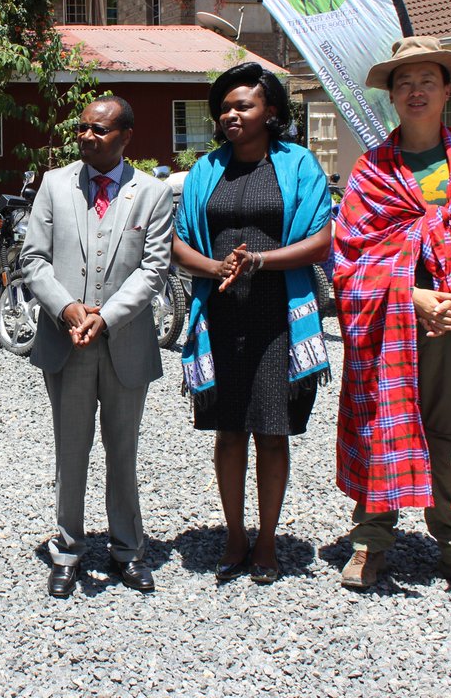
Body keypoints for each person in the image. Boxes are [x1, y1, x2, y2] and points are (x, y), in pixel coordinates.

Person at [334, 37, 451, 596]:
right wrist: (410, 296)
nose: (416, 91)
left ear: (446, 91)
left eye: (427, 82)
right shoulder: (372, 171)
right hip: (391, 324)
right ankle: (371, 541)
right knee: (379, 418)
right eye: (404, 82)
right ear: (391, 95)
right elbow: (350, 256)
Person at [172, 62, 332, 585]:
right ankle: (235, 533)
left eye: (244, 105)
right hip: (218, 315)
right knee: (228, 429)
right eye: (226, 107)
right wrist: (215, 266)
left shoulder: (298, 164)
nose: (231, 114)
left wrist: (262, 261)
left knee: (272, 429)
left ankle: (267, 539)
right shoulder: (205, 170)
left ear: (272, 113)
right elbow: (177, 242)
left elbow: (323, 239)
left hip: (277, 317)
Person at [21, 95, 173, 598]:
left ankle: (128, 549)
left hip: (124, 342)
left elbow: (154, 270)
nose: (87, 136)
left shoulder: (151, 193)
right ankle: (67, 549)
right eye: (83, 128)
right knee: (71, 450)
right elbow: (34, 260)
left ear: (126, 136)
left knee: (123, 451)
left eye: (100, 130)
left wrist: (105, 317)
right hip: (66, 340)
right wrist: (68, 309)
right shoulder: (53, 185)